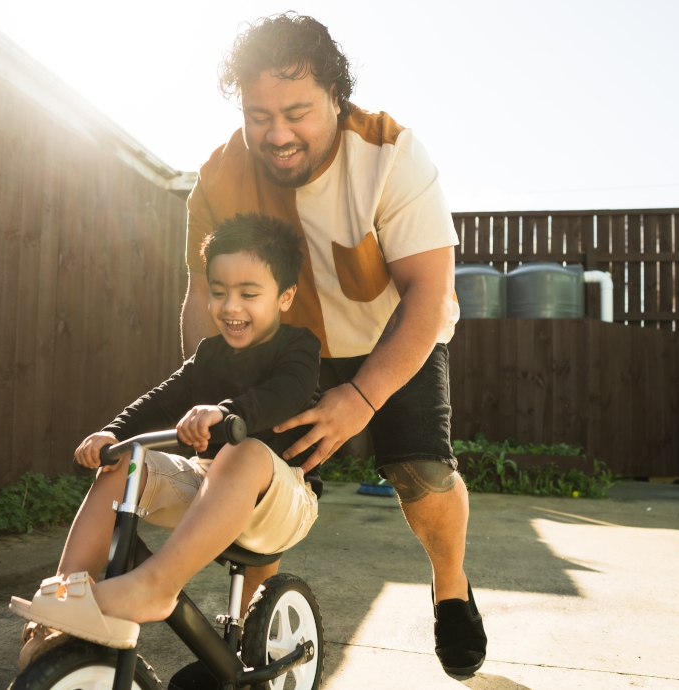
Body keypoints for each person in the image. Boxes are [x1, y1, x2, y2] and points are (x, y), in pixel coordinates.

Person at [177, 13, 487, 679]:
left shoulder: (391, 154)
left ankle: (452, 587)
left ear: (336, 101)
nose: (277, 134)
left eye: (297, 112)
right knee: (260, 478)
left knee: (420, 474)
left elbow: (428, 294)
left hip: (394, 331)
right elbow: (202, 301)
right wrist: (215, 402)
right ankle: (246, 640)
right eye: (259, 115)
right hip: (291, 346)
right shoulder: (220, 179)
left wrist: (363, 396)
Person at [10, 213, 322, 669]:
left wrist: (227, 412)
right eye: (219, 293)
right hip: (214, 488)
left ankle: (156, 586)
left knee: (245, 451)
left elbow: (287, 393)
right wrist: (113, 434)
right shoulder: (209, 354)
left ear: (286, 296)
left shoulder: (298, 347)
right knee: (125, 463)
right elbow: (162, 399)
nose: (230, 307)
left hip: (285, 496)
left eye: (249, 294)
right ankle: (64, 598)